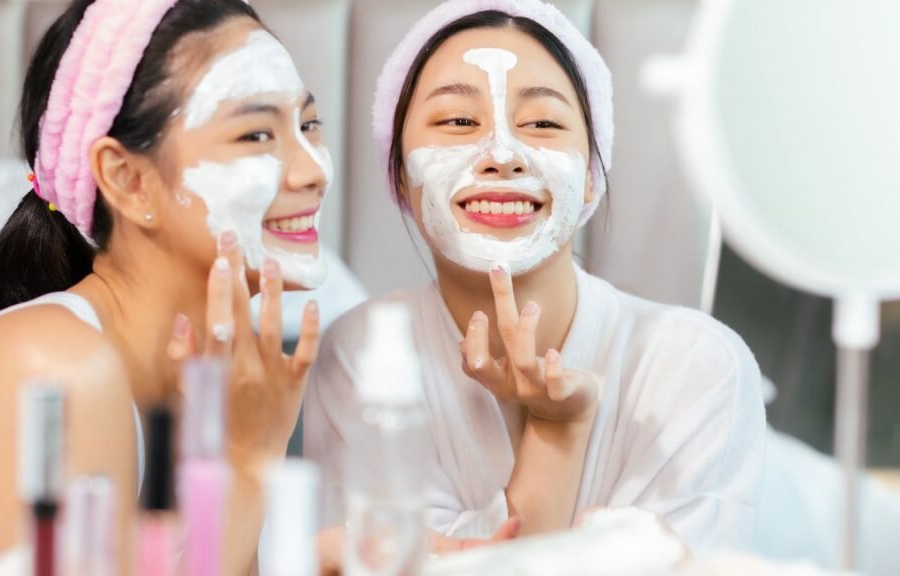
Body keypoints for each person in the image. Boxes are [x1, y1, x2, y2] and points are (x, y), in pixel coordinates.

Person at [306, 0, 766, 553]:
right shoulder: (362, 357)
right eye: (457, 121)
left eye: (543, 123)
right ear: (401, 178)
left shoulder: (697, 366)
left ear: (592, 177)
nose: (502, 154)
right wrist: (555, 432)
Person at [0, 1, 329, 573]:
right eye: (257, 134)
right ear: (128, 181)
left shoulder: (214, 379)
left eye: (307, 126)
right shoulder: (53, 366)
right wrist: (251, 461)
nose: (312, 170)